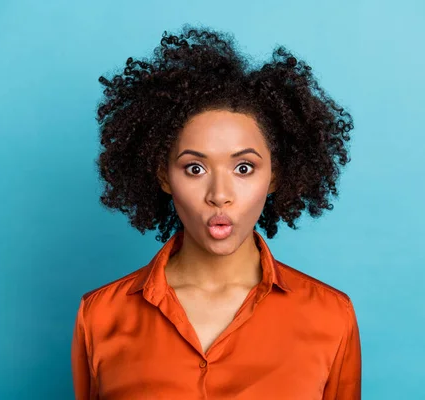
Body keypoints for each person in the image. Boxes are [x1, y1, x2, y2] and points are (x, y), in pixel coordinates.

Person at [72, 24, 361, 399]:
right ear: (164, 175)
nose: (219, 195)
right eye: (195, 168)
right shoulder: (99, 316)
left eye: (244, 168)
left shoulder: (331, 317)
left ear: (274, 177)